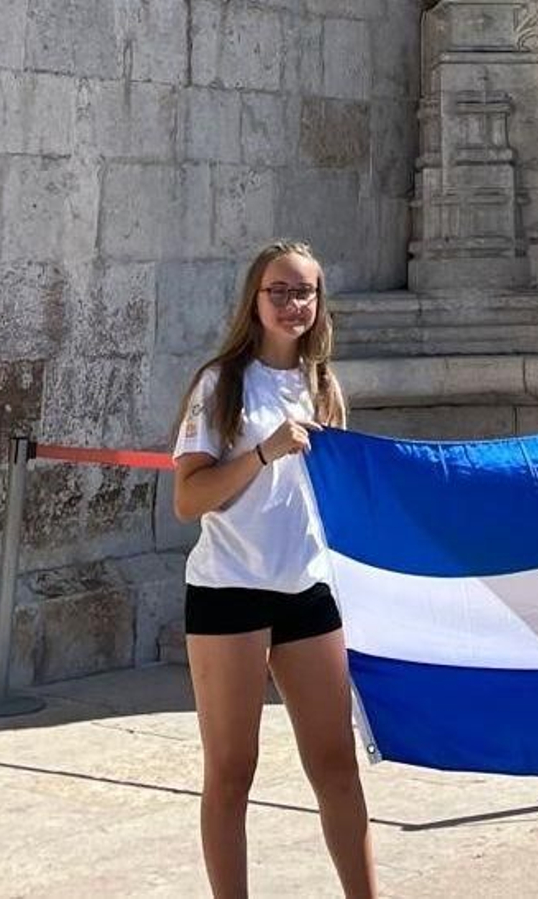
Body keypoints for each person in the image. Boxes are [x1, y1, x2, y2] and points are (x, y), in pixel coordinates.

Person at [171, 241, 374, 898]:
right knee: (232, 770)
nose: (293, 304)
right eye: (279, 291)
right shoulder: (220, 383)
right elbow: (188, 499)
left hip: (306, 592)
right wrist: (264, 452)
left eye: (305, 292)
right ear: (253, 301)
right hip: (229, 591)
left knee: (337, 764)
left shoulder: (325, 387)